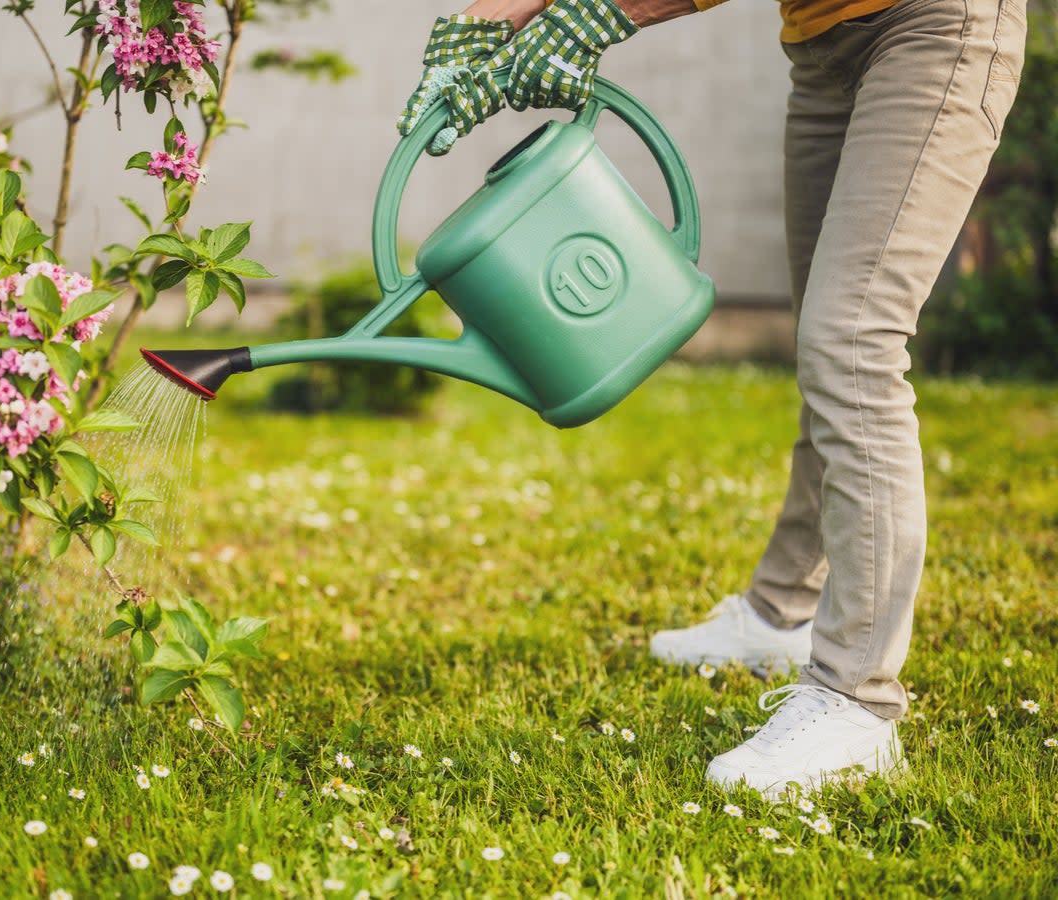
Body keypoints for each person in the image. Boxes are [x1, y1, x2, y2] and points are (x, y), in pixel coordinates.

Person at [398, 0, 1027, 799]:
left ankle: (857, 702)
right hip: (821, 43)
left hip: (934, 27)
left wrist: (601, 13)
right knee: (828, 343)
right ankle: (784, 614)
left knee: (853, 341)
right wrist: (487, 17)